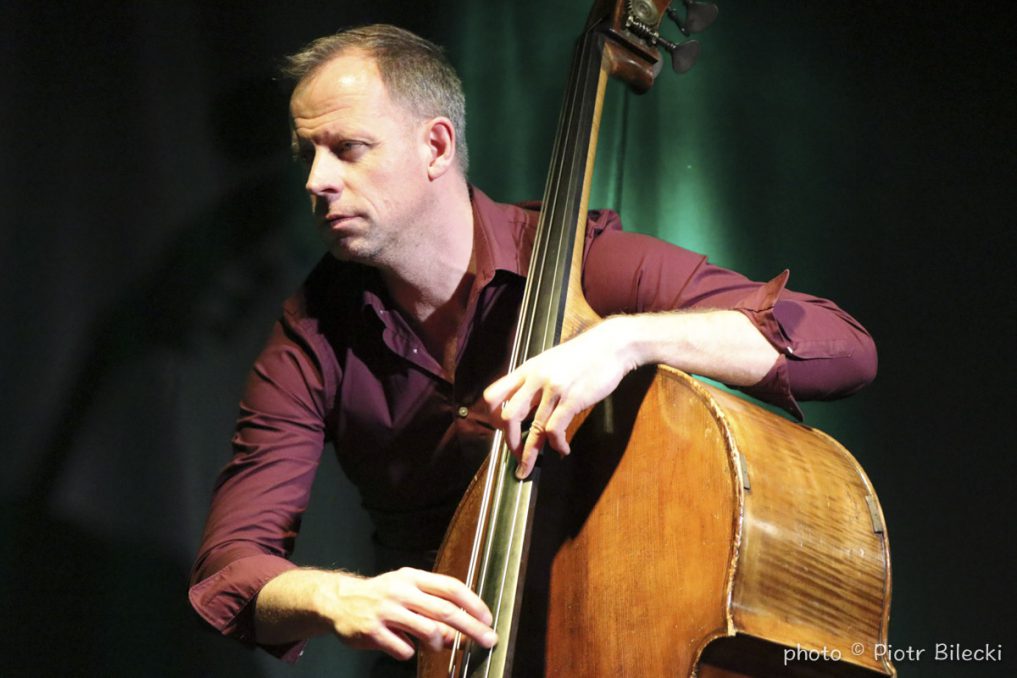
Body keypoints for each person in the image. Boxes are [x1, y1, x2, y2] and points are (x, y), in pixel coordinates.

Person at [189, 24, 876, 668]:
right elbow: (229, 569)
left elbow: (842, 349)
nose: (316, 180)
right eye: (307, 154)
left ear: (435, 147)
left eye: (347, 149)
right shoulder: (312, 331)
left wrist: (625, 338)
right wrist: (335, 596)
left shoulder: (582, 262)